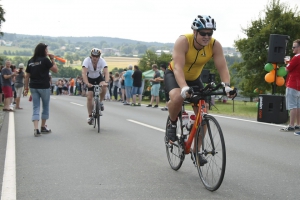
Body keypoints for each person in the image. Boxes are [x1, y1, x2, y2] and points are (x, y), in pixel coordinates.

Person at [164, 15, 235, 164]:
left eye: (210, 33)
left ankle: (196, 150)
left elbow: (222, 67)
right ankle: (172, 122)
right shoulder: (183, 41)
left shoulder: (215, 45)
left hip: (195, 78)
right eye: (203, 33)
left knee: (203, 113)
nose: (207, 36)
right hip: (175, 75)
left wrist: (227, 86)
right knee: (177, 97)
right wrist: (183, 87)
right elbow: (178, 68)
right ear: (195, 32)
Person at [24, 43, 58, 137]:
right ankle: (43, 126)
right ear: (43, 50)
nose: (47, 51)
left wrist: (26, 88)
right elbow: (55, 70)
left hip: (33, 87)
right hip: (44, 86)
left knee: (36, 107)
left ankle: (36, 128)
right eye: (46, 50)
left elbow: (27, 76)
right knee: (45, 106)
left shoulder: (31, 61)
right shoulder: (45, 60)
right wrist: (52, 59)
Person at [82, 48, 109, 125]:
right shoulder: (87, 60)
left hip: (98, 77)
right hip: (89, 78)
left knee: (104, 86)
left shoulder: (102, 61)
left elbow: (106, 72)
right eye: (93, 56)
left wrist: (106, 82)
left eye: (97, 56)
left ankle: (100, 102)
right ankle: (90, 116)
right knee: (89, 97)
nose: (95, 58)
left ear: (99, 57)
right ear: (91, 56)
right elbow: (84, 73)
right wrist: (87, 83)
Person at [279, 39, 300, 135]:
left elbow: (287, 69)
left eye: (294, 47)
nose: (292, 49)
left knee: (292, 106)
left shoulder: (296, 57)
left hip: (292, 83)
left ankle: (291, 125)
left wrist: (286, 63)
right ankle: (298, 124)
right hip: (298, 85)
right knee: (298, 105)